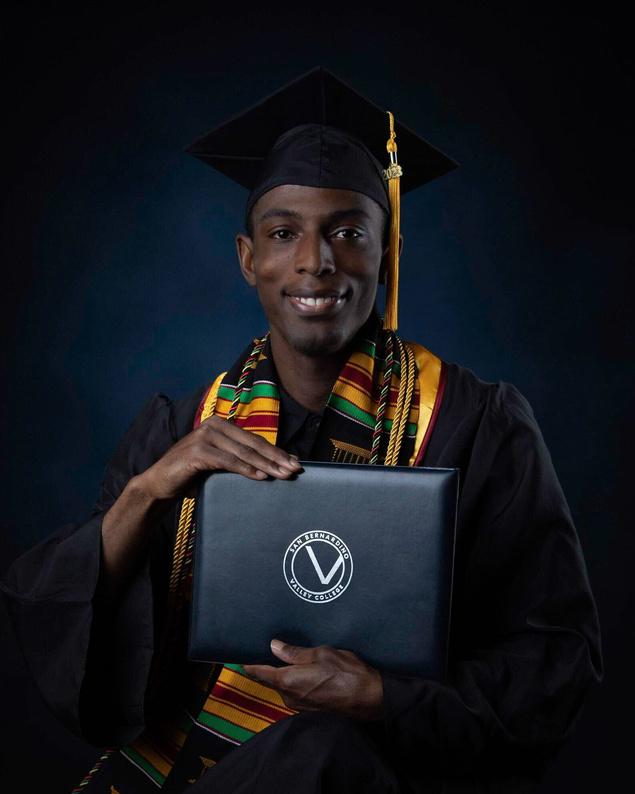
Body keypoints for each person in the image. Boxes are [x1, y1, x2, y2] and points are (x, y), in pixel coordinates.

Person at [0, 66, 602, 794]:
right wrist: (148, 492)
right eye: (283, 233)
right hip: (190, 766)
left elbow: (555, 657)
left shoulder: (474, 425)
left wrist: (386, 698)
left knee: (321, 752)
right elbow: (66, 627)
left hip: (366, 773)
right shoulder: (184, 425)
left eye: (348, 231)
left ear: (386, 255)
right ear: (248, 259)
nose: (315, 261)